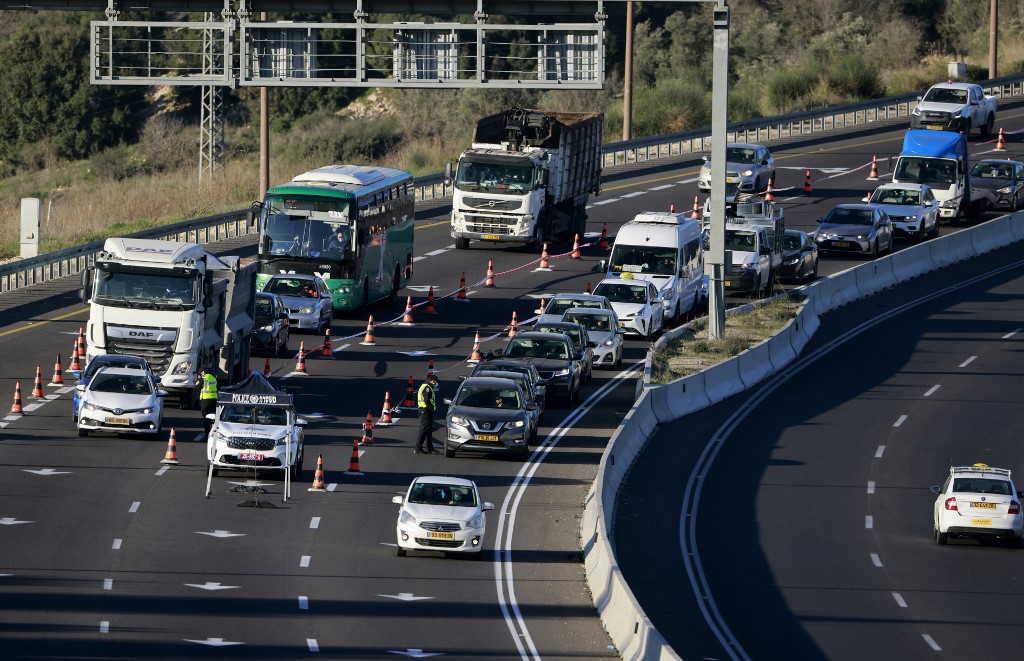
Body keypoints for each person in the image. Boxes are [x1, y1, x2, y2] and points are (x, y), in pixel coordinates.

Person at [415, 374, 440, 454]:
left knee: (428, 430)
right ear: (432, 381)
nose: (436, 384)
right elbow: (427, 400)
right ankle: (418, 447)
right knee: (424, 430)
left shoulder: (427, 387)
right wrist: (431, 409)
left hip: (426, 410)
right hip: (425, 410)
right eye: (435, 382)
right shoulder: (427, 388)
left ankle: (429, 448)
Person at [197, 366, 218, 436]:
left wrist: (198, 380)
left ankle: (207, 433)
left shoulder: (203, 378)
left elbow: (196, 388)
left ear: (204, 372)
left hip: (205, 401)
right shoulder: (214, 377)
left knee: (206, 417)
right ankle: (213, 432)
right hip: (214, 400)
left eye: (201, 372)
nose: (201, 373)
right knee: (212, 417)